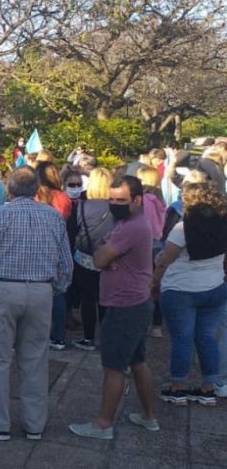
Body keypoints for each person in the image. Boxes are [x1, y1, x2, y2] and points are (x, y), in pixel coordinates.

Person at [0, 166, 72, 441]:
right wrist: (54, 290)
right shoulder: (53, 217)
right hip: (40, 291)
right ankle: (34, 423)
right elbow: (65, 264)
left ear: (9, 189)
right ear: (37, 189)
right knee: (35, 359)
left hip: (1, 290)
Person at [69, 176, 160, 439]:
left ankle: (103, 424)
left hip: (125, 304)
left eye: (120, 200)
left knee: (113, 366)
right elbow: (104, 253)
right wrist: (107, 256)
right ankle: (148, 416)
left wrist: (106, 257)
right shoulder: (128, 223)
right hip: (136, 301)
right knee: (137, 360)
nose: (114, 204)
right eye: (111, 199)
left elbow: (98, 258)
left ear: (137, 200)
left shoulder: (131, 227)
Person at [152, 183, 227, 407]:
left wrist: (154, 281)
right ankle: (207, 389)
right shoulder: (224, 225)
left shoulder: (183, 228)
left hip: (181, 290)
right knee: (206, 338)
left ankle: (178, 388)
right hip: (214, 288)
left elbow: (166, 259)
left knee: (182, 339)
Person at [66, 168, 115, 351]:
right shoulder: (116, 207)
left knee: (88, 299)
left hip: (84, 257)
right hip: (109, 255)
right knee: (105, 299)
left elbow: (72, 231)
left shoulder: (81, 206)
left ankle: (88, 338)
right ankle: (107, 336)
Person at [34, 162, 74, 350]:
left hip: (34, 246)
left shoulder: (35, 196)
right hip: (57, 245)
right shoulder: (63, 198)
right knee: (58, 293)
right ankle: (58, 336)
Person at [137, 165, 167, 338]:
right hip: (158, 243)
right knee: (156, 286)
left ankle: (142, 319)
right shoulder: (159, 199)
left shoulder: (145, 200)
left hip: (146, 244)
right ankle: (157, 324)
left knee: (143, 283)